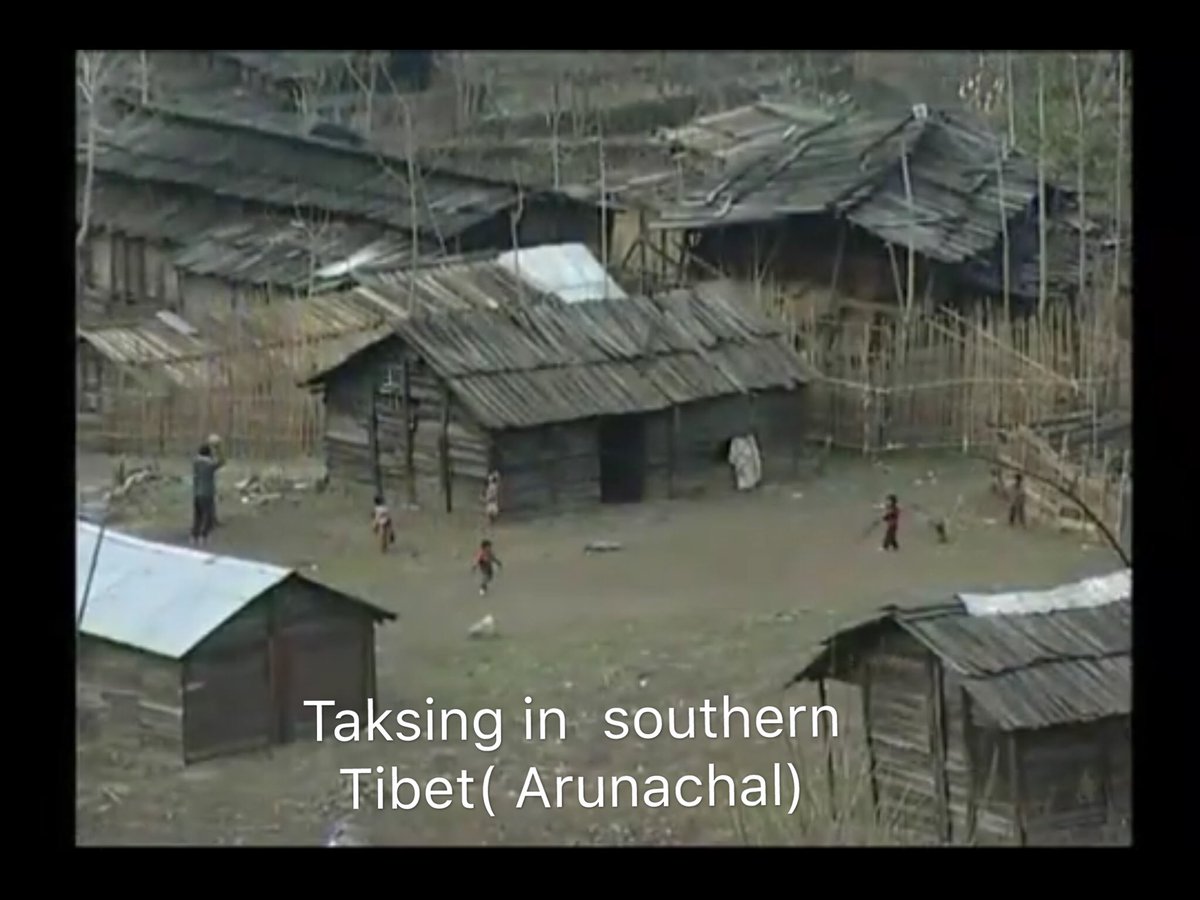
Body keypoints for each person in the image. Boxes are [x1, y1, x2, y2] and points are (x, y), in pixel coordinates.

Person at [191, 441, 225, 547]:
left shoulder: (195, 463)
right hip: (207, 494)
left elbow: (197, 457)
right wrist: (218, 448)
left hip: (196, 493)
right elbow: (222, 462)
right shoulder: (209, 465)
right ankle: (203, 536)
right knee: (208, 517)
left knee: (198, 517)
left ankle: (194, 536)